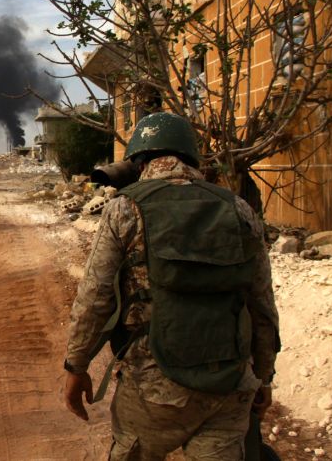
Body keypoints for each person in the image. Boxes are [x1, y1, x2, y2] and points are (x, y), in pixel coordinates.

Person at [62, 112, 280, 460]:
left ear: (139, 161)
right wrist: (265, 376)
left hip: (154, 390)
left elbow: (95, 296)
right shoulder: (239, 209)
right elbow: (262, 306)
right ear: (192, 157)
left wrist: (76, 366)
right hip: (227, 387)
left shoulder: (124, 208)